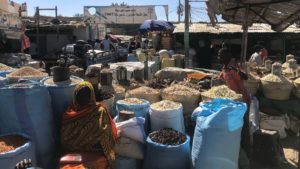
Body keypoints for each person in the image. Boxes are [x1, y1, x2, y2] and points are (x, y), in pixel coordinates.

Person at [60, 82, 117, 168]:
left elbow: (105, 134)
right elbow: (64, 140)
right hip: (80, 153)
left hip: (93, 152)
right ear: (75, 96)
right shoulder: (69, 114)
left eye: (86, 95)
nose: (83, 98)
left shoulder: (99, 112)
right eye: (81, 95)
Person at [218, 47, 251, 158]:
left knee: (244, 126)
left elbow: (245, 77)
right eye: (218, 55)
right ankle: (237, 149)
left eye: (220, 55)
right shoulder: (224, 68)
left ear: (227, 57)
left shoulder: (234, 67)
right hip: (234, 102)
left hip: (243, 100)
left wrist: (237, 71)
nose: (218, 57)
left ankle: (247, 152)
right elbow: (221, 77)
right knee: (236, 126)